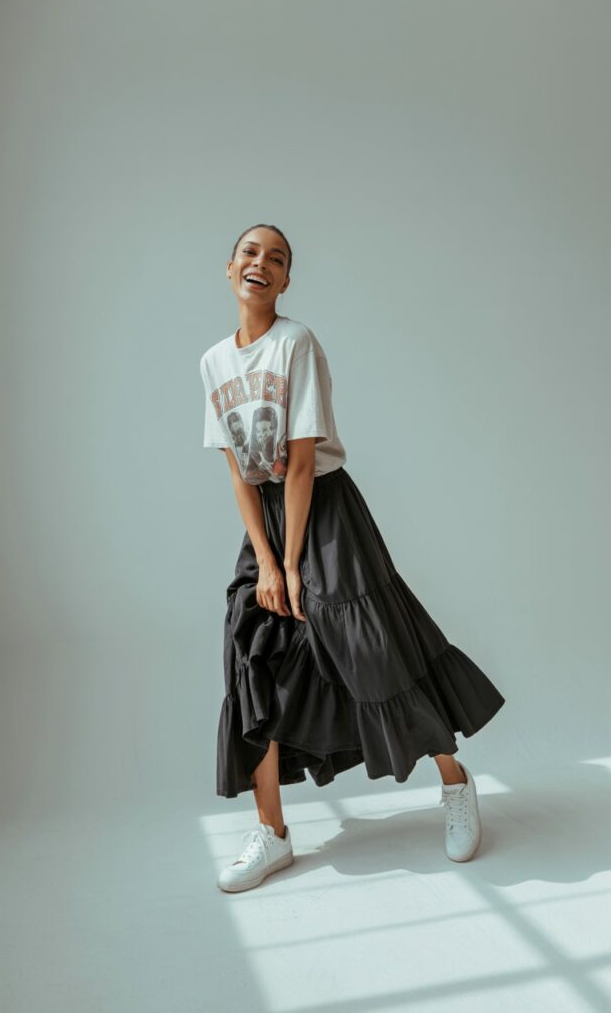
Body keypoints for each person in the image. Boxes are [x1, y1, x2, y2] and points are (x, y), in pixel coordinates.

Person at [199, 223, 506, 893]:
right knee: (250, 654)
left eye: (277, 258)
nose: (261, 263)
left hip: (325, 509)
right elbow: (238, 473)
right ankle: (273, 832)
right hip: (268, 520)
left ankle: (455, 782)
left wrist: (292, 564)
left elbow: (300, 461)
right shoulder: (214, 362)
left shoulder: (295, 343)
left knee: (372, 649)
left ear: (285, 280)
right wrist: (267, 562)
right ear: (229, 268)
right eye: (250, 253)